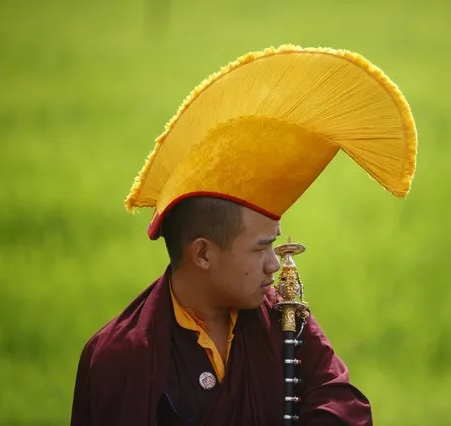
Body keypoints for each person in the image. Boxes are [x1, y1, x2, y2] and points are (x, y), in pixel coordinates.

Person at [71, 45, 417, 426]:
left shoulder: (282, 318)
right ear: (202, 254)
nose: (274, 265)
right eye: (261, 248)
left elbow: (342, 406)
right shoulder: (123, 356)